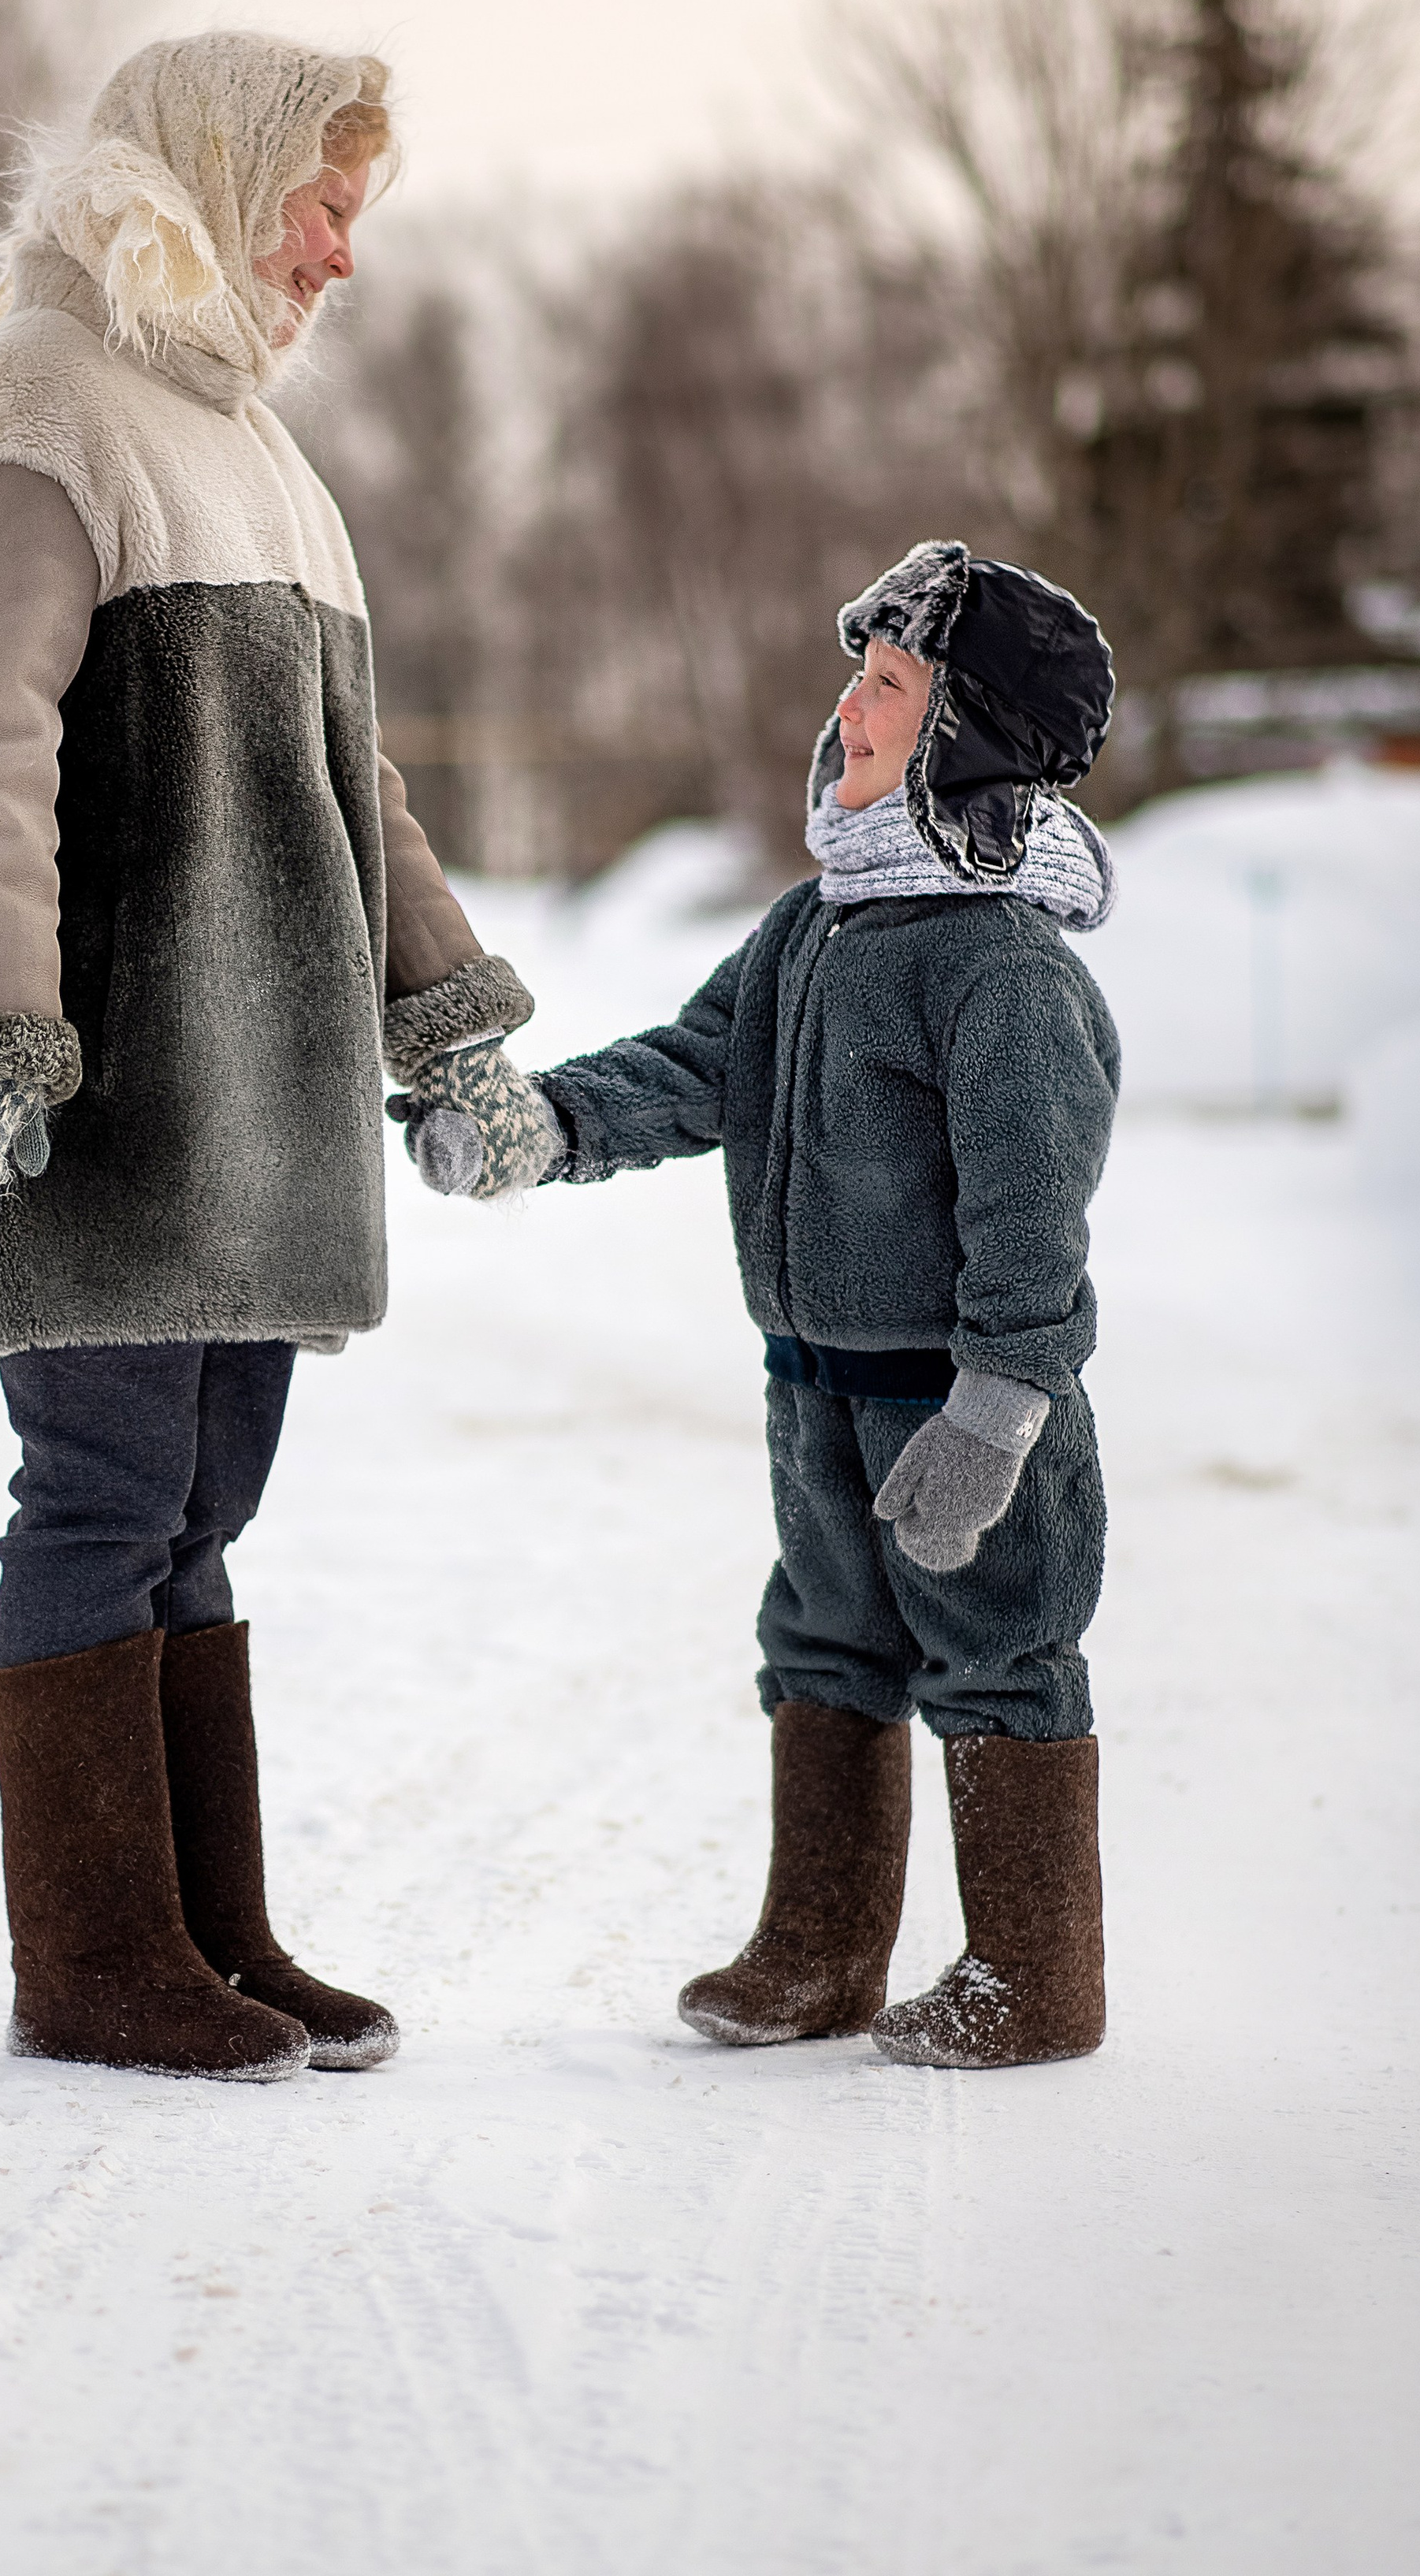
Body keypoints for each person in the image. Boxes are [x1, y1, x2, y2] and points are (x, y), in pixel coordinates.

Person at [0, 33, 548, 2083]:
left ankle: (203, 1931)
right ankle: (91, 1962)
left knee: (206, 1498)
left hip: (260, 1098)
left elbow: (356, 783)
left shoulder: (251, 447)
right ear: (221, 173)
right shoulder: (37, 405)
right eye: (326, 200)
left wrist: (448, 1023)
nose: (345, 251)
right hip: (104, 1090)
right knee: (102, 1485)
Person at [396, 541, 1122, 2069]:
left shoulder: (997, 970)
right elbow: (686, 1065)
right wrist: (539, 1127)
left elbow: (1028, 1218)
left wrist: (992, 1416)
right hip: (814, 1386)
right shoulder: (809, 931)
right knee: (823, 1644)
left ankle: (1033, 1976)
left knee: (996, 1649)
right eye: (854, 678)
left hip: (960, 1397)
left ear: (965, 737)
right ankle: (817, 1949)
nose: (845, 708)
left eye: (887, 687)